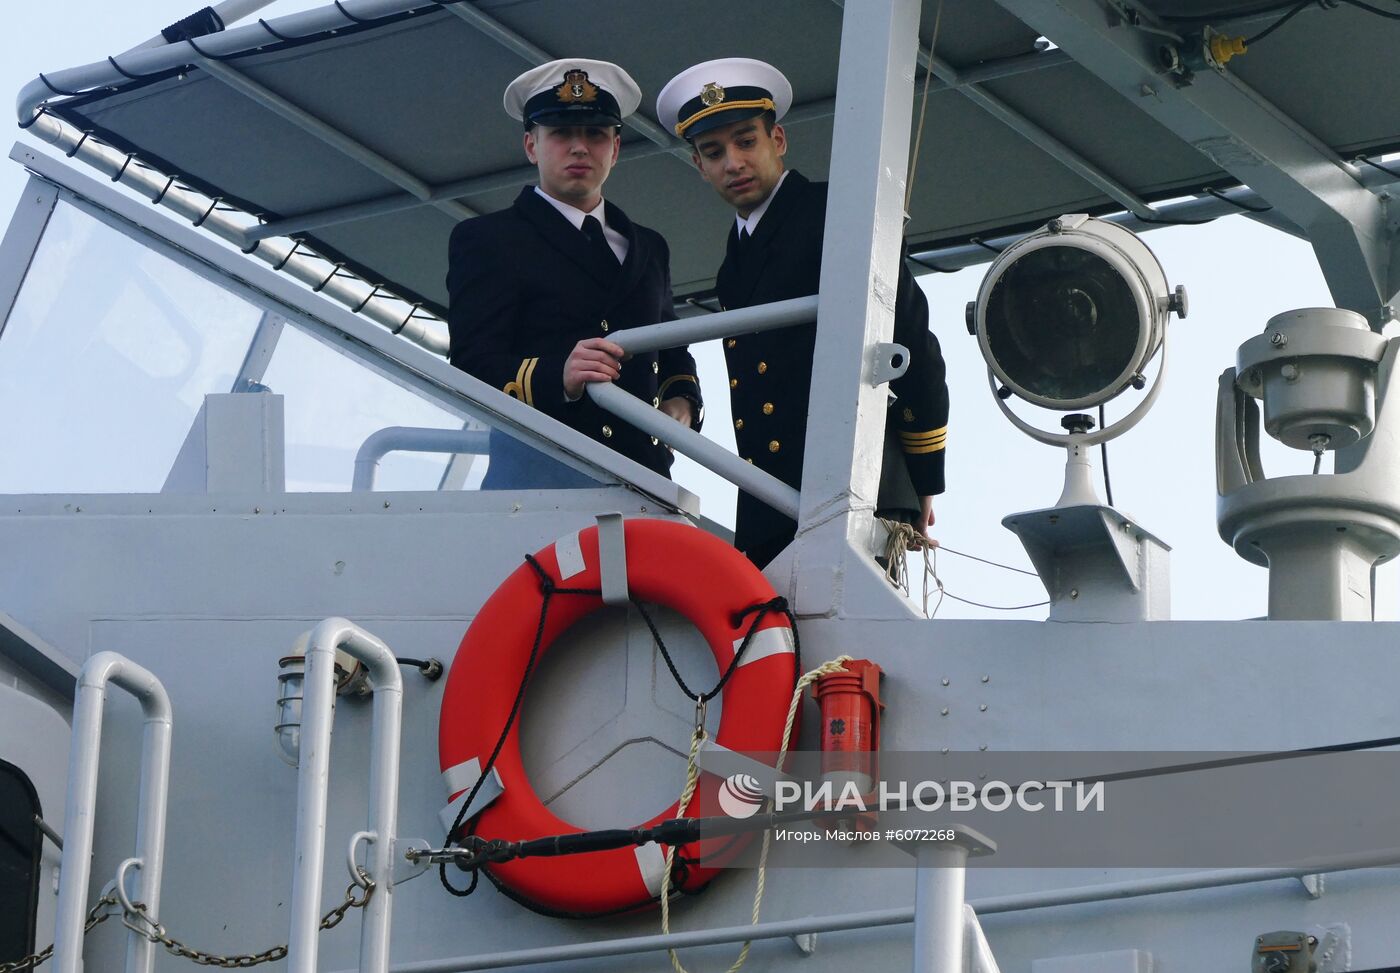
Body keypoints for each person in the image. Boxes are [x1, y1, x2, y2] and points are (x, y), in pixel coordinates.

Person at [657, 59, 949, 568]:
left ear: (778, 140)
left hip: (853, 487)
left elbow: (908, 338)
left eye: (746, 141)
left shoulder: (832, 211)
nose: (733, 163)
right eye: (714, 152)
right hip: (771, 503)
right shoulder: (734, 260)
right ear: (699, 166)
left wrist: (923, 476)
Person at [447, 59, 702, 488]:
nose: (579, 147)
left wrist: (683, 401)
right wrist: (558, 376)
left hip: (643, 478)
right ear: (531, 146)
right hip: (539, 480)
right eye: (561, 133)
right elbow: (471, 366)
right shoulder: (488, 238)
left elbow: (671, 349)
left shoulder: (649, 246)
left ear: (615, 149)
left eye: (595, 134)